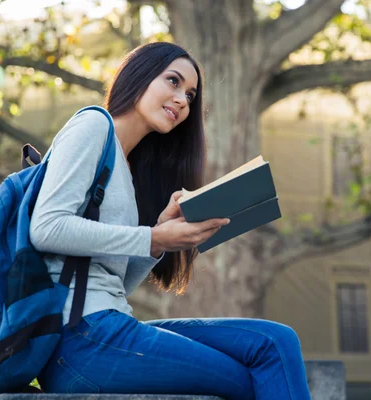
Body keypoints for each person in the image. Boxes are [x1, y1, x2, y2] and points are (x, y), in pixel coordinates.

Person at [29, 42, 312, 400]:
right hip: (79, 339)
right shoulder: (92, 126)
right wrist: (154, 237)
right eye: (173, 82)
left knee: (275, 341)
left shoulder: (127, 170)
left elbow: (115, 283)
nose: (183, 100)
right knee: (250, 381)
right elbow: (47, 227)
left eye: (191, 95)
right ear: (139, 76)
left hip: (109, 325)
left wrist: (160, 239)